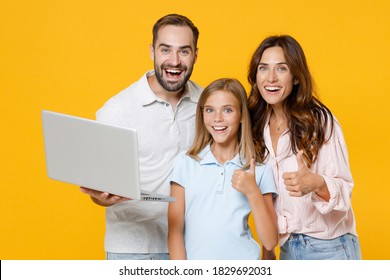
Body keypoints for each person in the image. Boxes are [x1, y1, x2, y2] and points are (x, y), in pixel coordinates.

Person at [79, 14, 203, 260]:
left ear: (196, 55)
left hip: (194, 246)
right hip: (133, 250)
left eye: (184, 51)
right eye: (165, 49)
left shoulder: (207, 103)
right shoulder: (117, 110)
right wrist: (102, 197)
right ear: (152, 51)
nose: (175, 61)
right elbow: (99, 192)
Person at [247, 35, 362, 260]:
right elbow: (267, 197)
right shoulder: (257, 126)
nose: (270, 78)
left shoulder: (320, 122)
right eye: (263, 68)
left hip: (330, 248)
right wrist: (268, 252)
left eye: (281, 68)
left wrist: (317, 183)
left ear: (296, 76)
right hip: (288, 249)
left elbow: (344, 191)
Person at [168, 78, 278, 260]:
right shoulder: (185, 163)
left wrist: (253, 192)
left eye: (227, 110)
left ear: (242, 115)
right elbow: (175, 231)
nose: (217, 118)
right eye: (210, 110)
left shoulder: (259, 170)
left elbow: (269, 242)